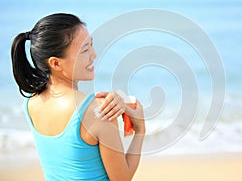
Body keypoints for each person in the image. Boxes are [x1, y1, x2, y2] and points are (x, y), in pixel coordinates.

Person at [11, 13, 145, 181]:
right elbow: (122, 179)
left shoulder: (31, 102)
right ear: (56, 63)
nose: (94, 55)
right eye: (85, 50)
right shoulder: (99, 112)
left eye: (91, 45)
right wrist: (140, 130)